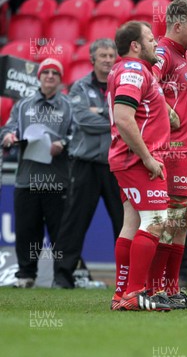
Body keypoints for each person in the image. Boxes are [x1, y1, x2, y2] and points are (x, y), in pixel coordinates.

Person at [145, 0, 187, 309]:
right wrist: (166, 108)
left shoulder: (186, 54)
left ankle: (171, 287)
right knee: (167, 222)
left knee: (181, 222)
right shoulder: (163, 52)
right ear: (178, 24)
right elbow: (148, 83)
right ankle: (153, 289)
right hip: (171, 150)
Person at [108, 21, 171, 311]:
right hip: (138, 159)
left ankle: (122, 293)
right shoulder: (133, 70)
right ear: (135, 45)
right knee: (156, 221)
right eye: (149, 38)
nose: (155, 42)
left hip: (128, 157)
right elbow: (123, 117)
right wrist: (147, 157)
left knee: (132, 223)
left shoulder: (130, 71)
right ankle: (135, 293)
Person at [52, 39, 124, 289]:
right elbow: (83, 121)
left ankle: (128, 278)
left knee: (125, 222)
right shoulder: (79, 87)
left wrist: (100, 112)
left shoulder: (123, 83)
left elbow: (132, 116)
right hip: (86, 165)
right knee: (74, 221)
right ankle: (62, 276)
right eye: (102, 55)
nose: (107, 59)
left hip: (118, 165)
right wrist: (116, 120)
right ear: (92, 59)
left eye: (111, 55)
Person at [1, 59, 73, 288]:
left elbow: (78, 135)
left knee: (60, 232)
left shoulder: (69, 105)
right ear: (39, 77)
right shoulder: (23, 105)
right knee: (26, 230)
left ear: (61, 79)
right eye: (46, 72)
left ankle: (61, 277)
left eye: (55, 73)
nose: (50, 76)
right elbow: (10, 127)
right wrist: (9, 137)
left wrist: (63, 143)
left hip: (57, 180)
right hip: (27, 180)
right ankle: (26, 275)